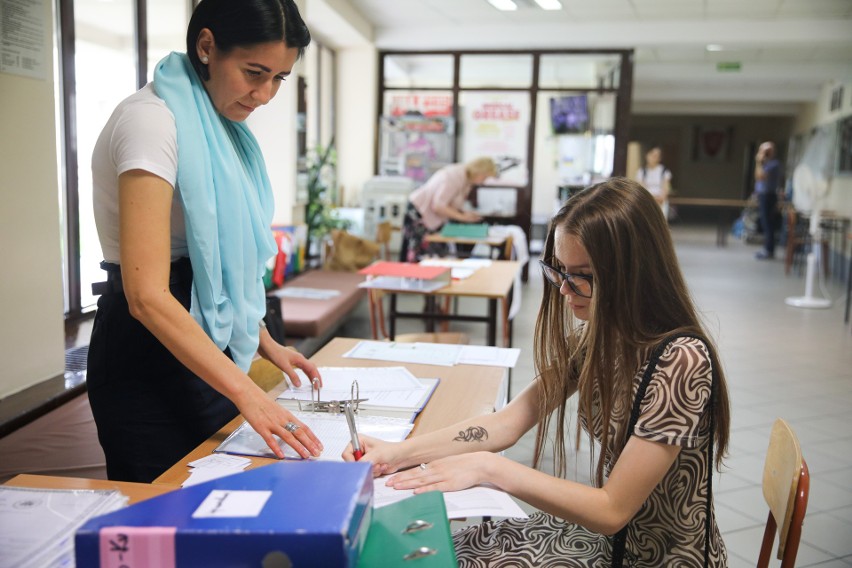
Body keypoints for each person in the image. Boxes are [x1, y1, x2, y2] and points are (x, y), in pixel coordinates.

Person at [346, 177, 731, 567]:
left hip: (655, 558)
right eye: (559, 270)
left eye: (581, 275)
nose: (564, 290)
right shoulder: (602, 334)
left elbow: (612, 510)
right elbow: (508, 422)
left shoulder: (681, 360)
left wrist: (490, 467)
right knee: (456, 547)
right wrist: (396, 454)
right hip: (610, 542)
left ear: (633, 273)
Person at [87, 0, 324, 483]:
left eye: (279, 78)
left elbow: (215, 265)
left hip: (201, 340)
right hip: (147, 347)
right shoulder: (151, 121)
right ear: (207, 45)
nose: (264, 94)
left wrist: (263, 341)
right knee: (162, 517)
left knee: (221, 499)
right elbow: (148, 295)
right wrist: (249, 392)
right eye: (254, 72)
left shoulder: (218, 128)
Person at [398, 157, 498, 262]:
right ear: (479, 171)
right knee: (416, 252)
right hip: (418, 211)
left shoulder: (466, 180)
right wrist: (463, 217)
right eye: (484, 177)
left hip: (430, 217)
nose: (483, 181)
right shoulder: (454, 176)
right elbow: (438, 205)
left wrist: (465, 213)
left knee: (436, 252)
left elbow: (453, 203)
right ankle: (411, 276)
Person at [754, 141, 782, 260]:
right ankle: (766, 248)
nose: (762, 153)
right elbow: (757, 176)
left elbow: (761, 176)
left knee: (768, 223)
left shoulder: (774, 164)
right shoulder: (764, 164)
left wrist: (759, 162)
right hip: (762, 195)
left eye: (764, 151)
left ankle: (769, 250)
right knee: (764, 223)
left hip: (768, 196)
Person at [634, 145, 672, 221]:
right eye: (652, 154)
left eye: (657, 156)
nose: (654, 157)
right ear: (647, 155)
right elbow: (641, 188)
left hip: (660, 202)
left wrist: (660, 198)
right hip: (646, 201)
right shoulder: (641, 172)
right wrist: (651, 198)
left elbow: (666, 188)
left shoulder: (664, 171)